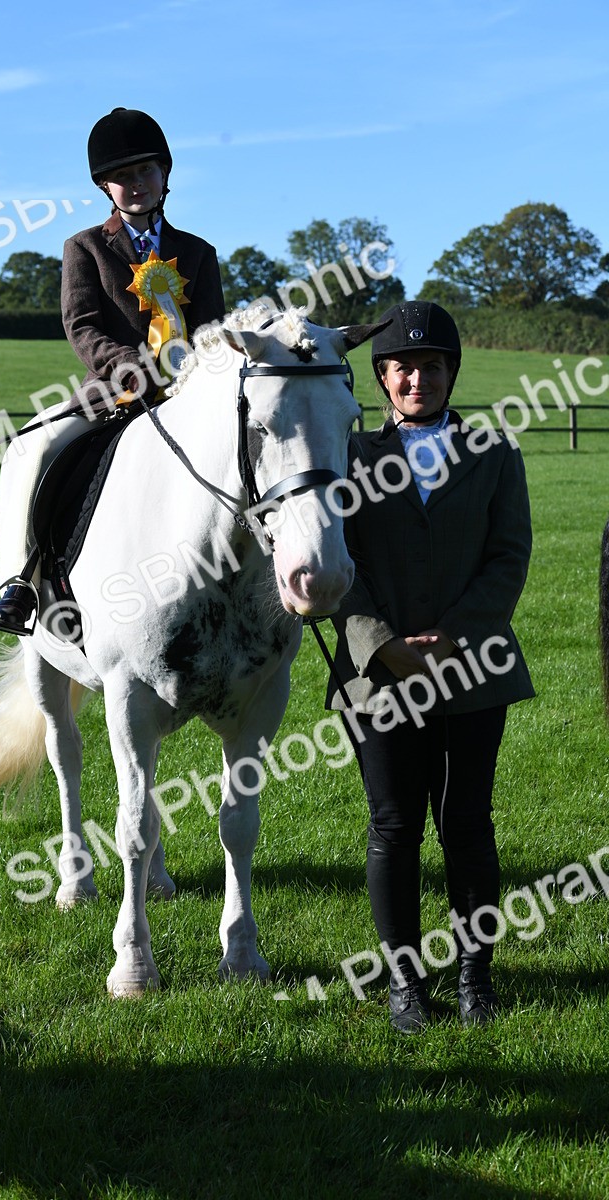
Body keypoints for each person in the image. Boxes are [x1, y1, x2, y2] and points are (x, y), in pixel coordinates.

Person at [326, 300, 535, 1032]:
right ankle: (405, 982)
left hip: (474, 670)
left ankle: (476, 978)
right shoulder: (348, 457)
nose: (418, 379)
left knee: (468, 825)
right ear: (382, 377)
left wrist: (454, 638)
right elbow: (336, 559)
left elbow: (508, 558)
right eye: (403, 368)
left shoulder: (496, 454)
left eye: (432, 366)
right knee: (393, 829)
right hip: (376, 675)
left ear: (452, 372)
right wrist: (380, 642)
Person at [0, 107, 226, 634]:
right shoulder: (85, 247)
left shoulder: (199, 253)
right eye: (123, 175)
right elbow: (81, 324)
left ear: (164, 174)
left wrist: (195, 373)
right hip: (114, 393)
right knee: (34, 449)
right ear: (105, 186)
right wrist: (127, 366)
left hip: (190, 395)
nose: (136, 183)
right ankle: (21, 582)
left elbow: (212, 329)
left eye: (145, 171)